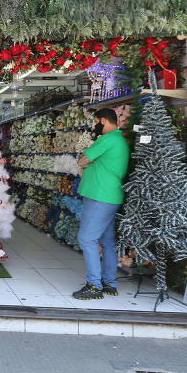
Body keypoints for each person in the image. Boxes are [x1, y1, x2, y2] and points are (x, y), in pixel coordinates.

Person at [72, 108, 130, 300]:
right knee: (107, 242)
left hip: (99, 196)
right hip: (111, 197)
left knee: (87, 238)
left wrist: (87, 162)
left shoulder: (106, 140)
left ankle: (94, 285)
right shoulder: (120, 140)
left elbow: (82, 160)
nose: (93, 126)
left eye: (95, 121)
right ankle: (109, 283)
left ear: (103, 121)